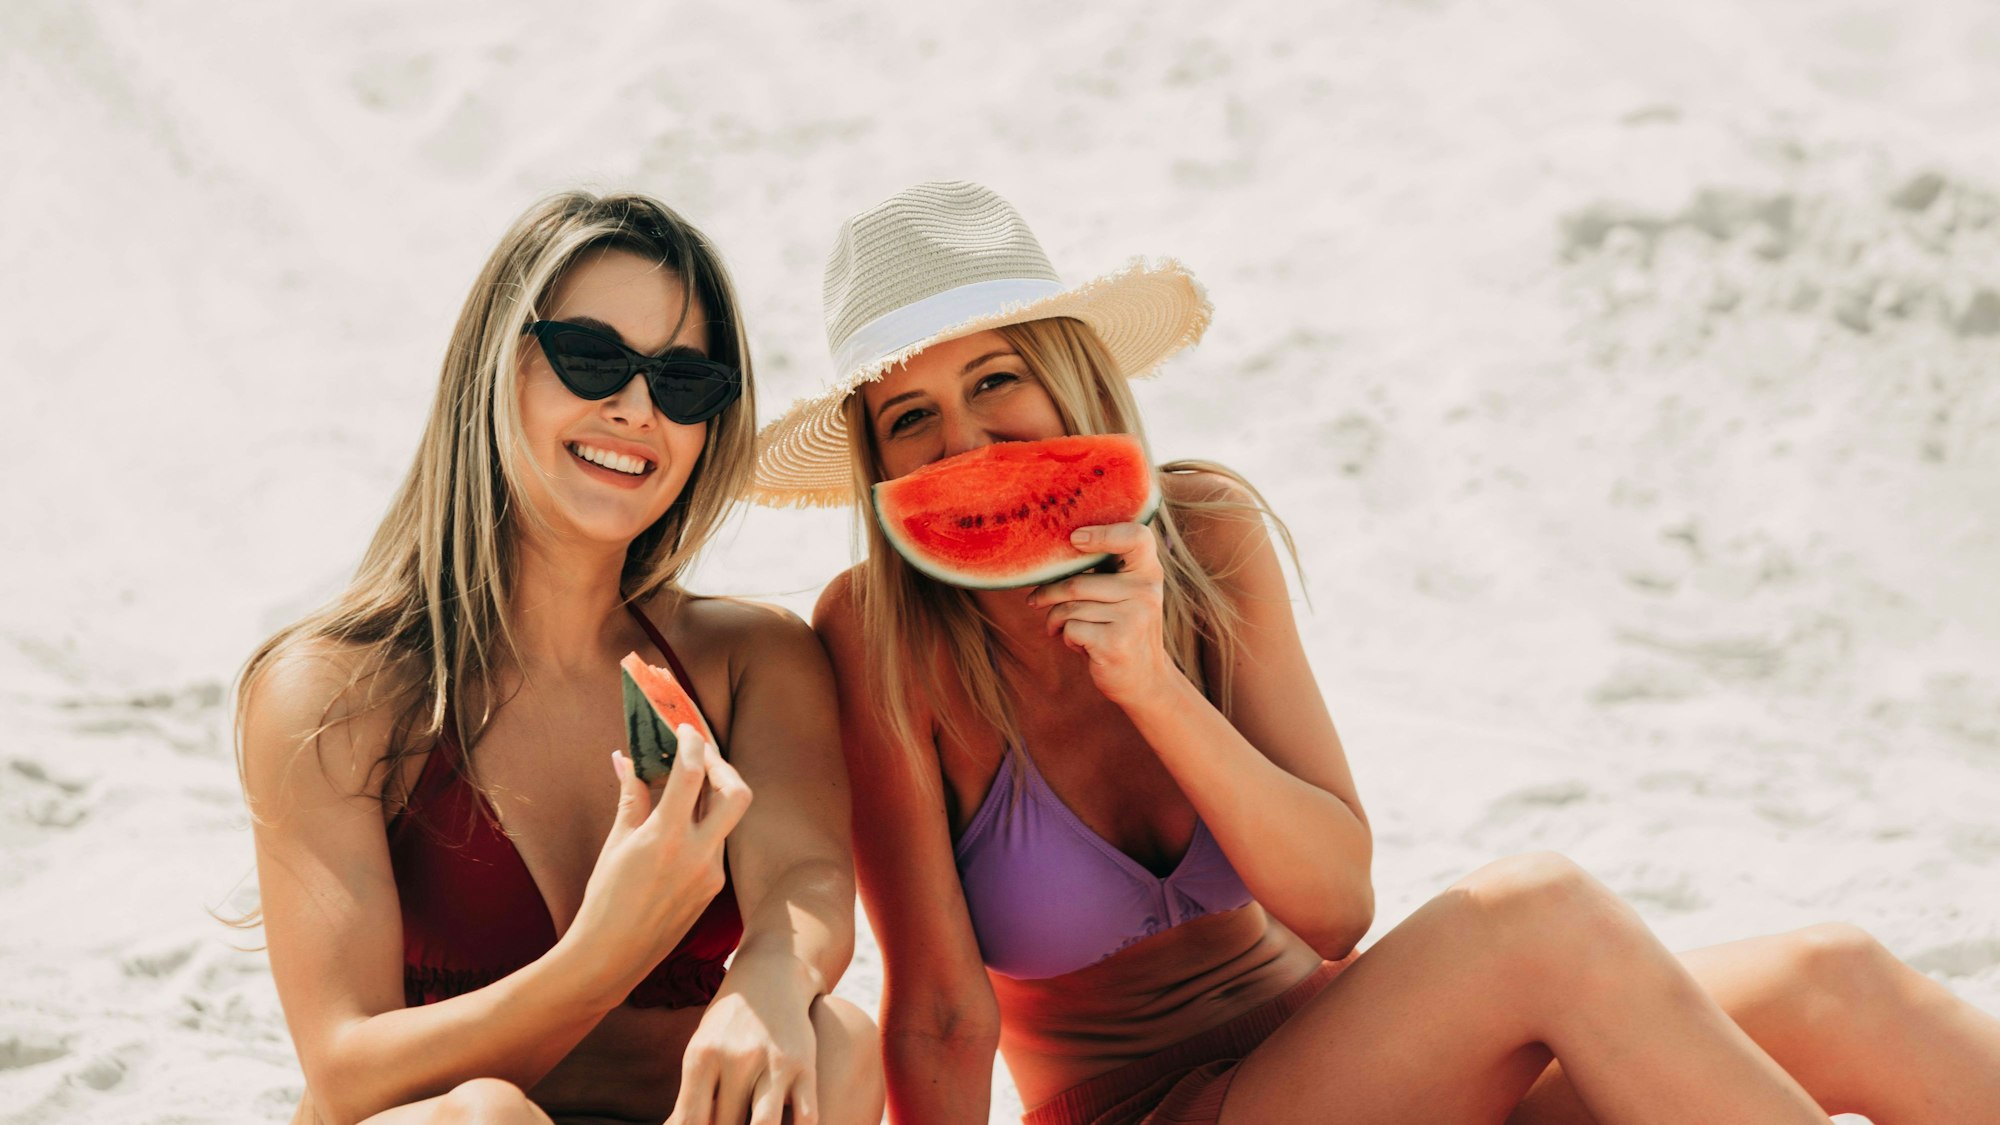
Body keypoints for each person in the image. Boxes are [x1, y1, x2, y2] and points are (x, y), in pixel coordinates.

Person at [754, 180, 2000, 1124]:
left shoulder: (1206, 537)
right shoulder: (875, 636)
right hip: (1149, 1114)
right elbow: (935, 1011)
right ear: (876, 469)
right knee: (1534, 913)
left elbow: (1334, 910)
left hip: (1354, 1064)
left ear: (1076, 382)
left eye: (997, 382)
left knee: (1832, 978)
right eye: (909, 417)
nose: (967, 446)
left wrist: (1150, 685)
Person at [236, 191, 884, 1125]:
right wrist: (603, 953)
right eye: (592, 359)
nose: (634, 408)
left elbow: (807, 880)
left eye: (683, 382)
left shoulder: (752, 659)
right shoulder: (336, 691)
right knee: (484, 1116)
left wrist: (774, 974)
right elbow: (345, 1069)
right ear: (495, 371)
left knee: (839, 1042)